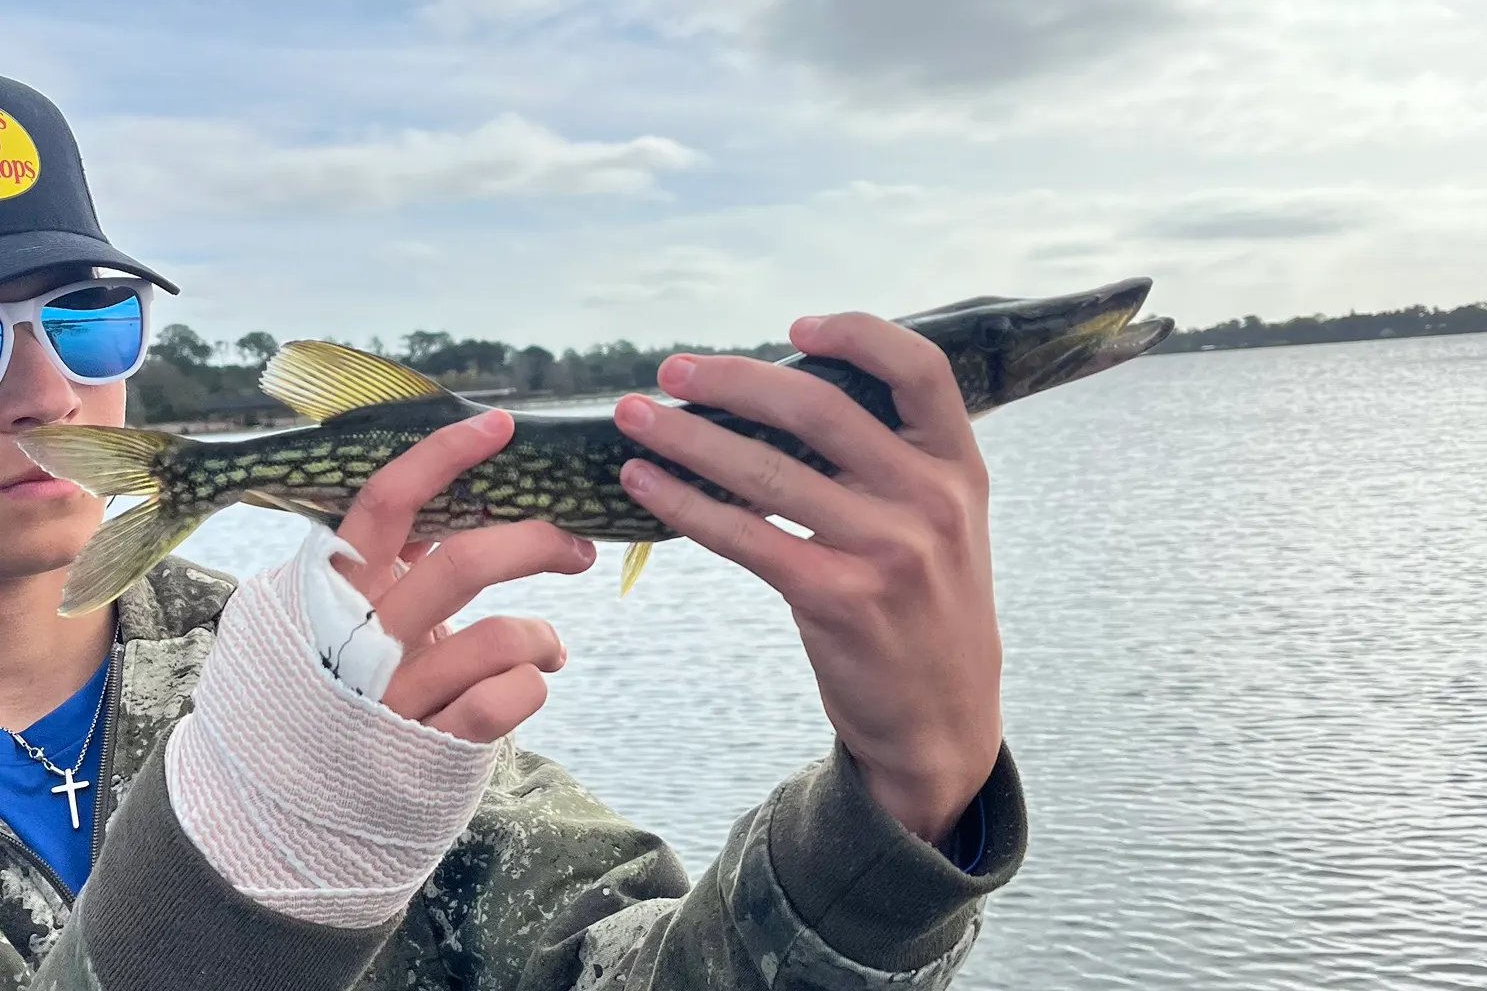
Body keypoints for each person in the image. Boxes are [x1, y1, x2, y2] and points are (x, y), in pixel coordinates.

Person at [0, 74, 1025, 991]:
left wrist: (900, 808)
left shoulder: (316, 680)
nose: (46, 391)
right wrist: (242, 874)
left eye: (87, 318)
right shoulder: (297, 733)